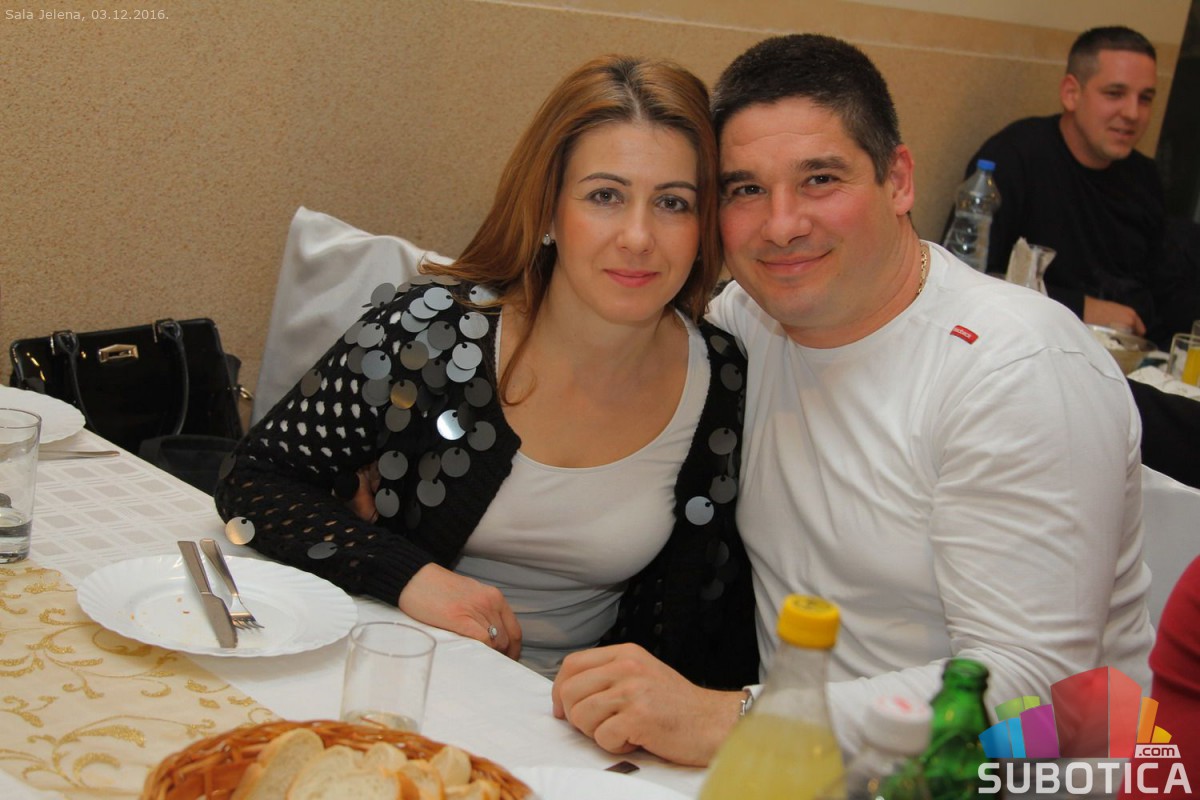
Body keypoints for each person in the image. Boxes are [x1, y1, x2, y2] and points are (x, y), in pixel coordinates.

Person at [552, 33, 1154, 763]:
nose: (781, 226)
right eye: (746, 189)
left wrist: (731, 719)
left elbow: (1033, 691)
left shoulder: (1016, 369)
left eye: (820, 180)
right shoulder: (746, 322)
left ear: (898, 180)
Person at [214, 55, 758, 689]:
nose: (638, 237)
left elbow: (715, 617)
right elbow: (254, 479)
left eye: (673, 202)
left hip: (581, 720)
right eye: (605, 196)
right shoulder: (430, 334)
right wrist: (407, 575)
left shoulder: (724, 382)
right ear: (549, 212)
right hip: (397, 672)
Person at [955, 26, 1164, 338]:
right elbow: (965, 277)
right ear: (1071, 93)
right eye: (1115, 94)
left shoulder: (1144, 177)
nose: (1133, 113)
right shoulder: (1014, 157)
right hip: (1026, 342)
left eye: (1145, 98)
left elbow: (1160, 288)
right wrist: (1079, 307)